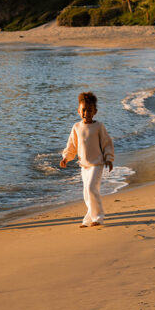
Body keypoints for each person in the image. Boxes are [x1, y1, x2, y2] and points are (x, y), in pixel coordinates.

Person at [59, 91, 114, 228]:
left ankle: (99, 217)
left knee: (91, 189)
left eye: (89, 111)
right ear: (78, 111)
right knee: (86, 192)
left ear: (95, 111)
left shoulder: (99, 127)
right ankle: (89, 218)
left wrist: (109, 158)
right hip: (84, 166)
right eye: (83, 110)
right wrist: (66, 157)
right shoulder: (76, 127)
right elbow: (71, 146)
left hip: (97, 164)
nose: (86, 113)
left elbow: (107, 144)